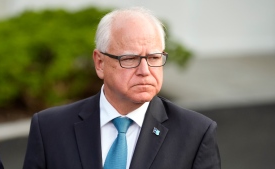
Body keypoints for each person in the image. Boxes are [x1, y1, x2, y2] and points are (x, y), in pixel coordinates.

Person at [23, 7, 220, 169]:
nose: (145, 70)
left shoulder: (196, 133)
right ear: (100, 63)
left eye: (153, 58)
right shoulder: (49, 129)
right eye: (130, 59)